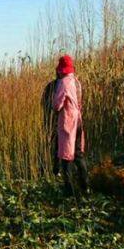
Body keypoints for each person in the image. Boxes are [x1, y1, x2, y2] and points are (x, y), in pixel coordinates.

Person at [52, 55, 89, 196]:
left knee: (66, 156)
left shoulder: (63, 83)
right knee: (79, 154)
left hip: (68, 121)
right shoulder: (77, 82)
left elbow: (57, 105)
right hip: (78, 120)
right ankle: (86, 186)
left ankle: (69, 190)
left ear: (61, 70)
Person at [41, 76, 59, 176]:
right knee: (56, 146)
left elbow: (42, 103)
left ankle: (45, 168)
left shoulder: (50, 85)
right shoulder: (61, 86)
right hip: (56, 120)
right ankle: (55, 170)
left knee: (48, 145)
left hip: (48, 120)